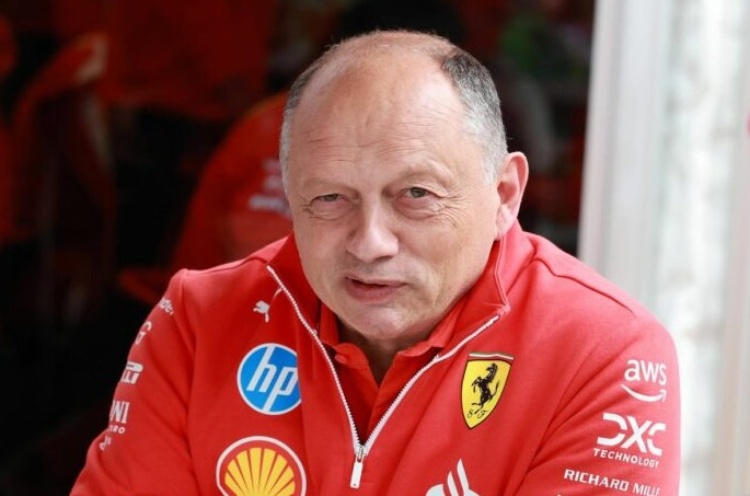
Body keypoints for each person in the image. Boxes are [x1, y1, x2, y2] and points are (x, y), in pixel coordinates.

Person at [71, 30, 680, 495]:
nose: (370, 242)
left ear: (503, 196)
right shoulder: (199, 320)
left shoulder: (604, 351)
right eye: (329, 198)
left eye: (415, 194)